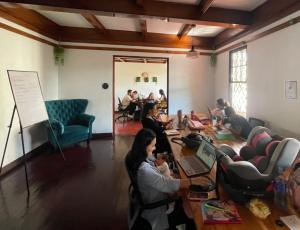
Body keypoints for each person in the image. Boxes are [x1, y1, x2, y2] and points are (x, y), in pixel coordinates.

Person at [126, 129, 196, 230]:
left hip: (153, 194)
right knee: (191, 211)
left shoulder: (138, 157)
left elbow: (159, 175)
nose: (155, 148)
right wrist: (192, 181)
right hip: (159, 205)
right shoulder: (144, 170)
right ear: (144, 146)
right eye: (153, 145)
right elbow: (167, 185)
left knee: (182, 190)